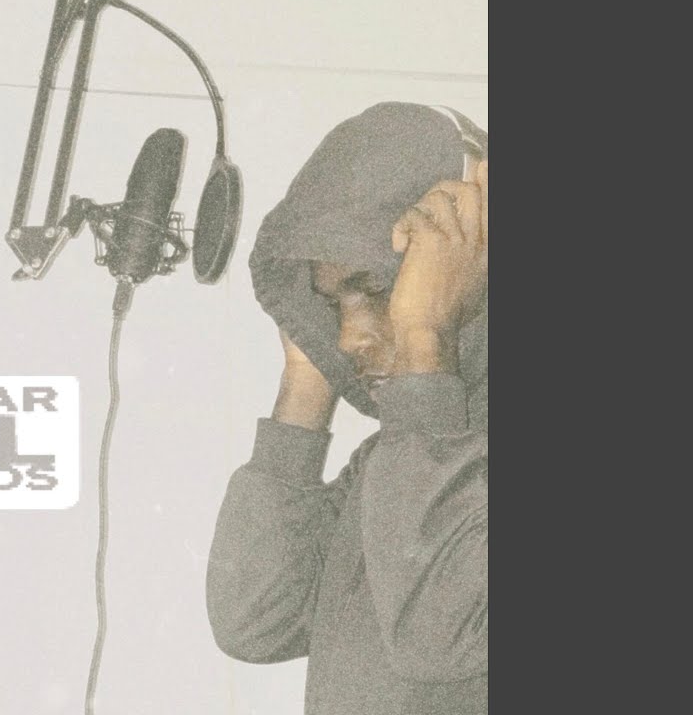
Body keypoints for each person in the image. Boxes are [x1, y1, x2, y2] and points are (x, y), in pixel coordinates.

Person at [206, 102, 488, 715]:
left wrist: (424, 335)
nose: (348, 337)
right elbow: (257, 619)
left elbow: (437, 637)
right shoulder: (402, 458)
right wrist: (307, 377)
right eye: (334, 305)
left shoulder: (434, 451)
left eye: (378, 288)